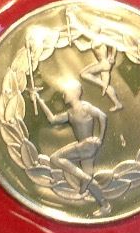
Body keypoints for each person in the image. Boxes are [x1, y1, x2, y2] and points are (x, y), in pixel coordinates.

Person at [33, 80, 110, 215]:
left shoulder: (85, 107)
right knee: (85, 185)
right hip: (83, 146)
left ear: (75, 93)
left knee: (55, 158)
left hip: (87, 145)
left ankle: (84, 178)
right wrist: (39, 100)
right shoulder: (69, 113)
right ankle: (105, 205)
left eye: (66, 93)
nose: (63, 95)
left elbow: (102, 116)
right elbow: (52, 119)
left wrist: (100, 139)